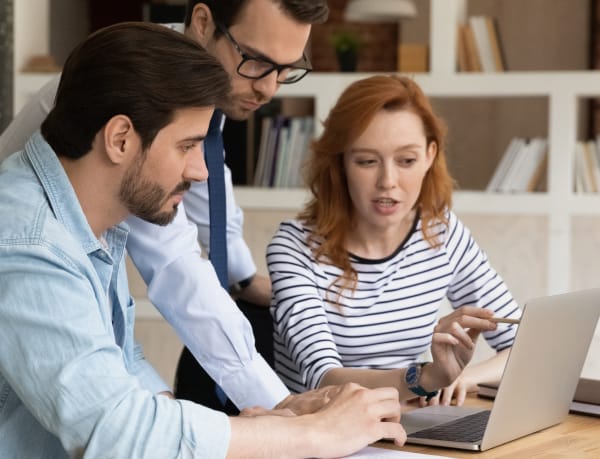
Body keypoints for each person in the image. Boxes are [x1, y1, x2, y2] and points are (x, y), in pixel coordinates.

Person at [0, 22, 406, 458]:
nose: (201, 171)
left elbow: (122, 370)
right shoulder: (31, 242)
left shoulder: (92, 220)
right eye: (187, 146)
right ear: (120, 139)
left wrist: (266, 425)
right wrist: (315, 435)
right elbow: (114, 430)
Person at [0, 0, 328, 414]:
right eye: (259, 62)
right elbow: (177, 268)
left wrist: (242, 274)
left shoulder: (199, 81)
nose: (269, 88)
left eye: (286, 69)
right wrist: (284, 410)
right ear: (203, 22)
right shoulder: (138, 100)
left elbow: (210, 176)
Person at [267, 75, 522, 406]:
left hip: (409, 428)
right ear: (340, 162)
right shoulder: (294, 248)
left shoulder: (443, 234)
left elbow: (523, 344)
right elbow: (324, 379)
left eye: (406, 160)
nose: (388, 181)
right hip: (320, 436)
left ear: (430, 155)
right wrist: (425, 378)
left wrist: (459, 378)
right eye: (367, 161)